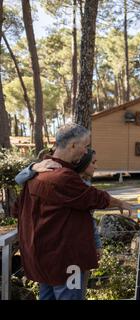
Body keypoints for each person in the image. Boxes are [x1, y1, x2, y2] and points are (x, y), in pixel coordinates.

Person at [12, 123, 133, 300]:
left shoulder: (35, 174)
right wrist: (120, 203)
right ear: (73, 145)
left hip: (42, 260)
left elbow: (17, 210)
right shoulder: (61, 176)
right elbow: (93, 197)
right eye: (85, 146)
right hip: (67, 262)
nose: (86, 152)